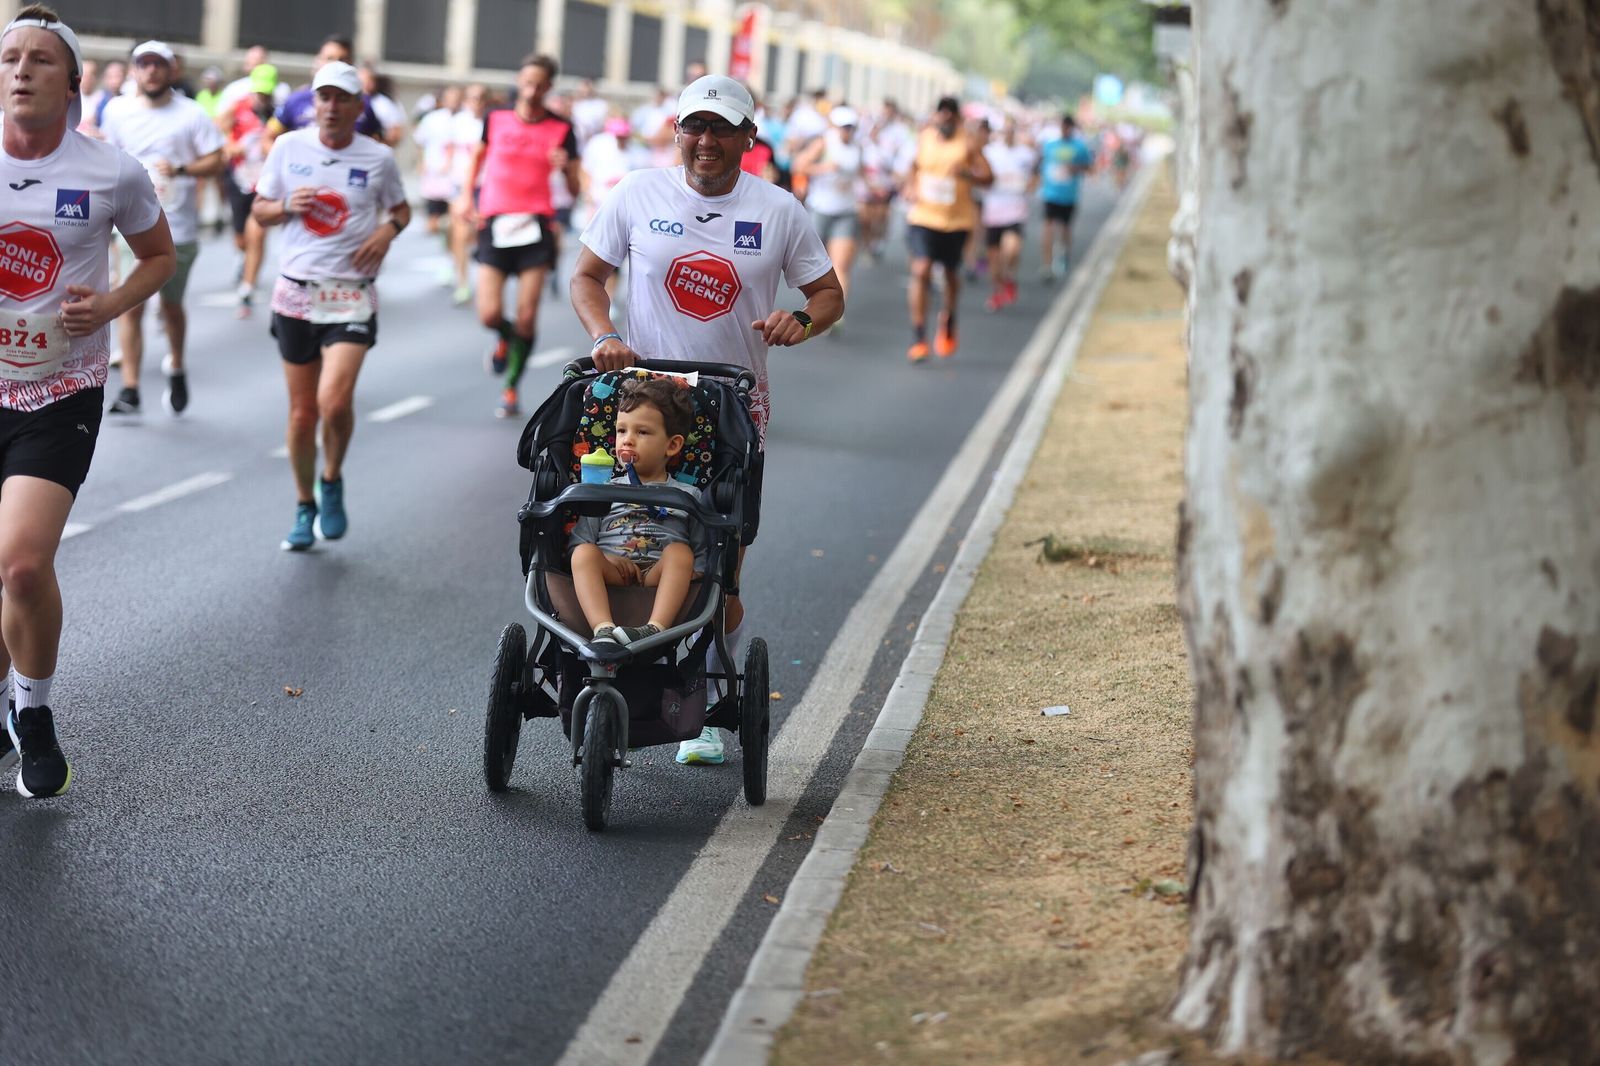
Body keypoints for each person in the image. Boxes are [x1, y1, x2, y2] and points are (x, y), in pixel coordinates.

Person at [571, 74, 843, 765]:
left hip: (731, 407)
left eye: (722, 128)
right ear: (677, 132)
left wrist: (801, 320)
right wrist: (605, 335)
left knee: (720, 565)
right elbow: (587, 277)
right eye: (694, 125)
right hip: (642, 399)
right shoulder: (637, 192)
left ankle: (700, 710)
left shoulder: (778, 210)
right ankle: (608, 662)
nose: (706, 140)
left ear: (749, 137)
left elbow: (828, 295)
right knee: (613, 532)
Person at [0, 6, 177, 797]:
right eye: (10, 57)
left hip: (59, 389)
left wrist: (109, 305)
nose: (21, 70)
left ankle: (32, 711)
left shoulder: (111, 171)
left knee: (22, 563)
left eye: (40, 58)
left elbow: (159, 256)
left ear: (72, 82)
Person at [252, 61, 409, 550]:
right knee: (303, 414)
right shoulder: (287, 146)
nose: (332, 107)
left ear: (358, 107)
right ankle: (305, 504)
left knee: (334, 403)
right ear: (314, 103)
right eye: (325, 97)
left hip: (351, 293)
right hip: (296, 291)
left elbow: (401, 209)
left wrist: (386, 231)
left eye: (343, 98)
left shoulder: (378, 157)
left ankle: (332, 477)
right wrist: (285, 207)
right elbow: (260, 210)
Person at [99, 40, 225, 416]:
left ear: (172, 70)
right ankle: (131, 388)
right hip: (130, 227)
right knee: (130, 305)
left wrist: (183, 169)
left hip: (178, 228)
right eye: (144, 64)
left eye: (158, 64)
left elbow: (218, 159)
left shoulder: (192, 114)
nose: (151, 70)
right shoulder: (118, 110)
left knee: (171, 307)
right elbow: (107, 160)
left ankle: (177, 365)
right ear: (134, 70)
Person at [453, 53, 578, 419]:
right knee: (489, 314)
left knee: (526, 317)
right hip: (496, 221)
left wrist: (564, 169)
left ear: (549, 86)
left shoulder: (562, 128)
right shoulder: (496, 117)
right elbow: (477, 158)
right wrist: (466, 196)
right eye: (527, 82)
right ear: (519, 81)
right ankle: (505, 338)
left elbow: (575, 187)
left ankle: (510, 386)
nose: (532, 90)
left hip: (536, 225)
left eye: (540, 84)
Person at [570, 377, 706, 646]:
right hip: (613, 571)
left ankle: (654, 628)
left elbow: (702, 553)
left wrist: (692, 573)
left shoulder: (687, 495)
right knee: (583, 553)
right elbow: (580, 540)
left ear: (672, 445)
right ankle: (603, 629)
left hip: (658, 573)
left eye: (642, 432)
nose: (627, 441)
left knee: (681, 553)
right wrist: (607, 559)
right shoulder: (603, 489)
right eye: (622, 431)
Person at [903, 96, 991, 362]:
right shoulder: (925, 137)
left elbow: (988, 177)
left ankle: (949, 320)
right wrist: (910, 187)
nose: (945, 121)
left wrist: (966, 175)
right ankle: (919, 337)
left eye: (950, 116)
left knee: (951, 274)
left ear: (957, 118)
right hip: (924, 217)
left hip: (956, 220)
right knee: (922, 269)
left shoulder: (968, 142)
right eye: (941, 115)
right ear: (936, 116)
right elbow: (913, 167)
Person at [219, 62, 277, 318]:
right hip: (239, 178)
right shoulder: (238, 108)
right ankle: (242, 257)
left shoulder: (278, 115)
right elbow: (218, 134)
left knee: (258, 232)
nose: (262, 97)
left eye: (266, 93)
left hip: (264, 183)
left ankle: (247, 288)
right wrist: (233, 147)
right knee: (241, 236)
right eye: (259, 92)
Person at [792, 105, 863, 314]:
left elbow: (860, 173)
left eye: (851, 127)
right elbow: (799, 165)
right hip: (820, 209)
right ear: (835, 126)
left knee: (841, 265)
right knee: (815, 266)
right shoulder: (824, 143)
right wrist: (824, 168)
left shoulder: (858, 146)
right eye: (844, 127)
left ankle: (836, 314)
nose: (847, 131)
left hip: (846, 211)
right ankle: (814, 307)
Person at [980, 117, 1036, 311]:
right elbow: (980, 173)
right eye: (1006, 130)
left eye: (1012, 130)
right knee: (994, 258)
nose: (1009, 133)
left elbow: (1035, 175)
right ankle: (997, 291)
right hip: (993, 210)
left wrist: (1031, 185)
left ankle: (1009, 277)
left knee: (1011, 250)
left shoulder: (1026, 154)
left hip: (1016, 210)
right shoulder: (990, 152)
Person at [1037, 113, 1094, 281]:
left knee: (1065, 229)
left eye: (1068, 127)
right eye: (1063, 126)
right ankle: (1046, 264)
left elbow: (1089, 167)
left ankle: (1063, 255)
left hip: (1069, 195)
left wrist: (1075, 168)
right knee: (1048, 228)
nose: (1065, 130)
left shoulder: (1080, 147)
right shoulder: (1050, 145)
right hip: (1050, 193)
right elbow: (1041, 164)